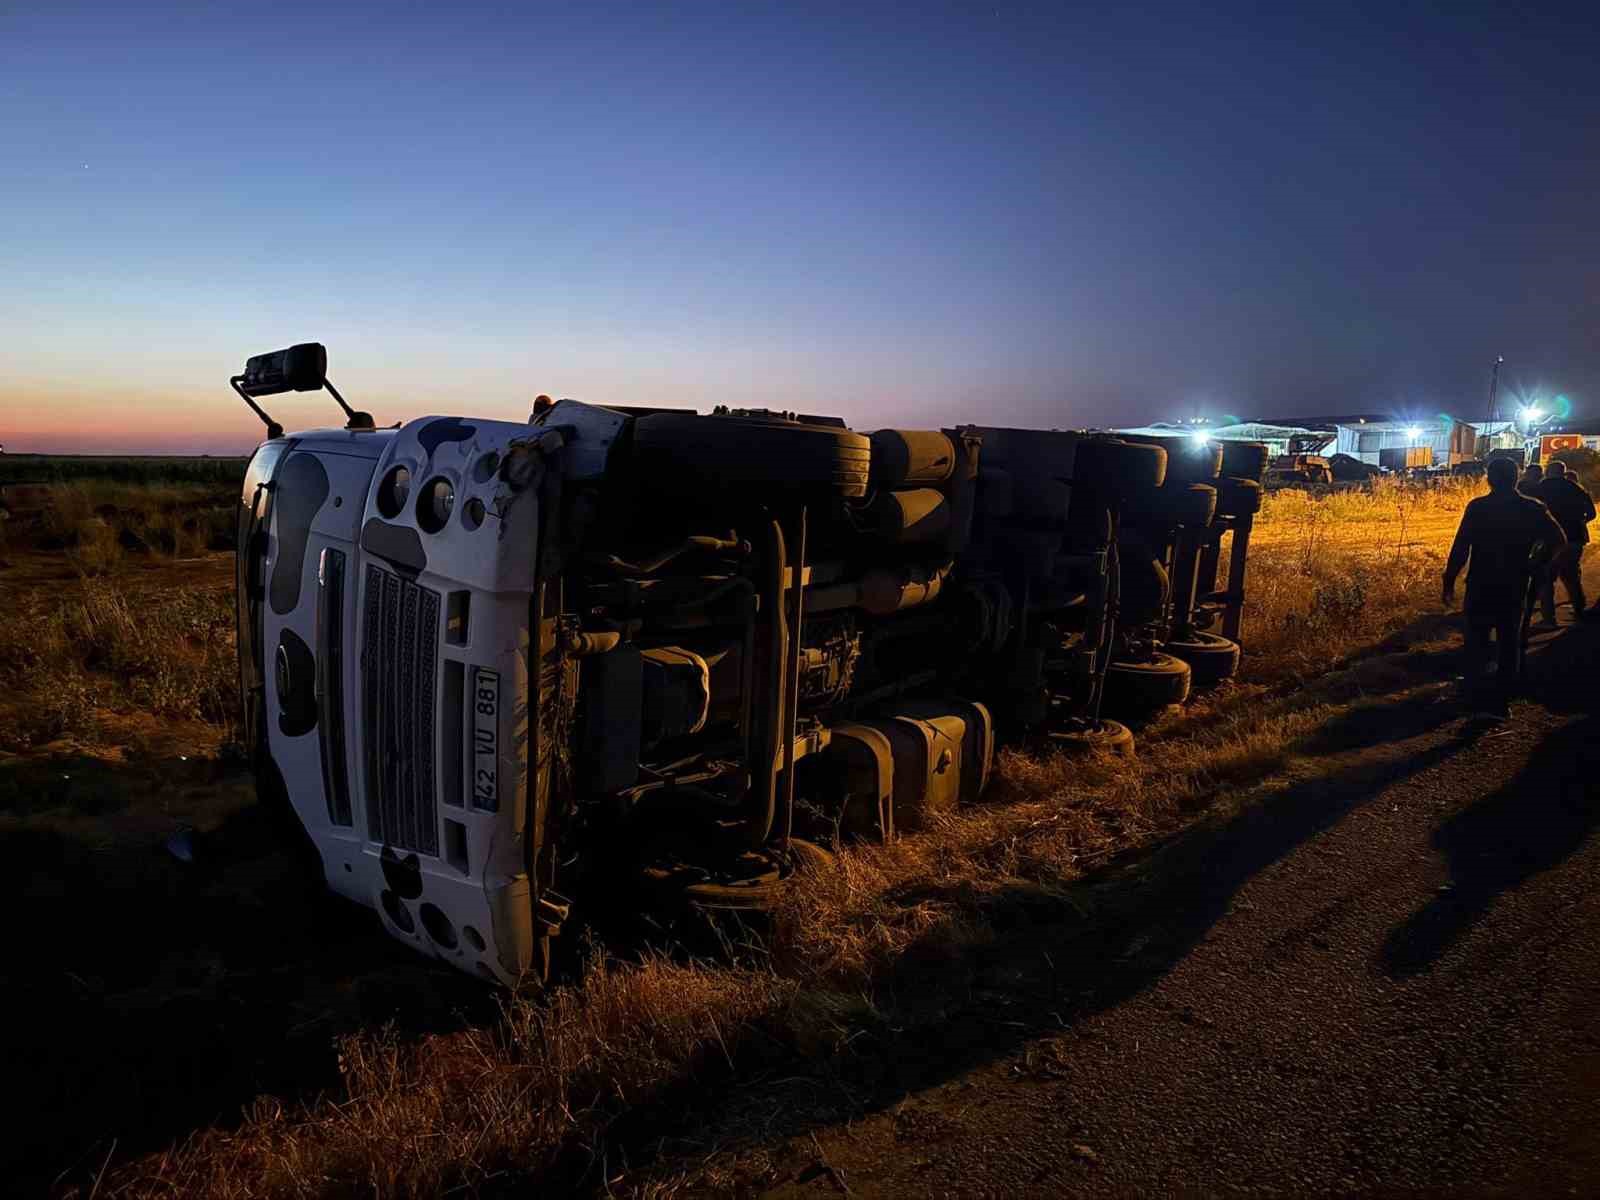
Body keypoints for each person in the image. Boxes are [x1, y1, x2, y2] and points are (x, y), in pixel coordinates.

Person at [1443, 457, 1566, 717]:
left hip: (1480, 583)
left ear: (1489, 478)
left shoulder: (1478, 507)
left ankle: (1475, 695)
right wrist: (1537, 562)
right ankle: (1501, 700)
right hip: (1515, 583)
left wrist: (1449, 581)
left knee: (1477, 640)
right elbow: (1558, 539)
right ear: (1516, 477)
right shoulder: (1533, 508)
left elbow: (1461, 547)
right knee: (1509, 642)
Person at [1532, 460, 1594, 624]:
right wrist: (1580, 522)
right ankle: (1580, 610)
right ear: (1563, 472)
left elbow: (1533, 511)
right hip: (1574, 537)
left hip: (1549, 540)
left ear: (1549, 472)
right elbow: (1592, 513)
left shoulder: (1541, 488)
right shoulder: (1576, 488)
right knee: (1571, 576)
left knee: (1546, 579)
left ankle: (1549, 618)